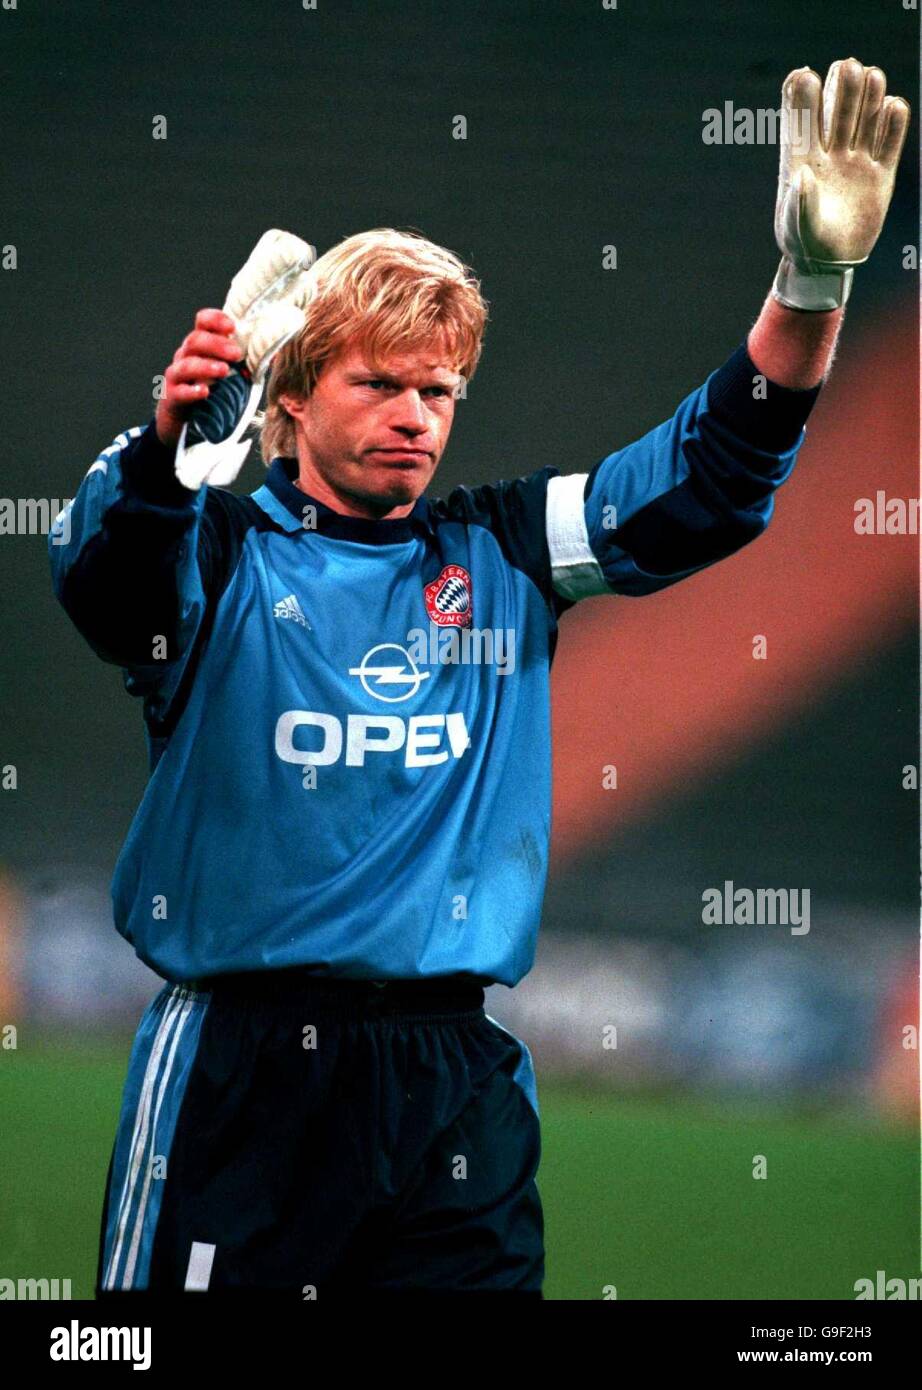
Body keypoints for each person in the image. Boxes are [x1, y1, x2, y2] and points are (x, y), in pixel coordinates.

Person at [49, 58, 909, 1295]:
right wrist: (172, 449)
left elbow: (707, 481)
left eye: (438, 389)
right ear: (291, 392)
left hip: (453, 1081)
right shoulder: (219, 553)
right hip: (242, 1074)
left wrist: (811, 282)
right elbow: (102, 580)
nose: (416, 414)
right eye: (378, 383)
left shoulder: (502, 548)